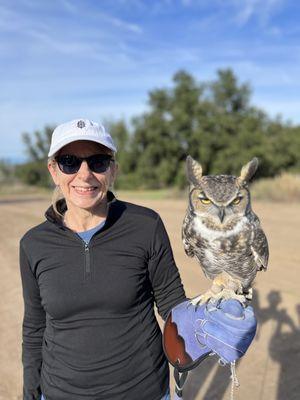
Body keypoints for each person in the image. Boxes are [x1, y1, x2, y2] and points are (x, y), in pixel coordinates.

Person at [19, 118, 186, 400]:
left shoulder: (145, 225)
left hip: (142, 391)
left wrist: (206, 329)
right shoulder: (34, 244)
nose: (85, 175)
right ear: (53, 171)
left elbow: (173, 304)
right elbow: (35, 328)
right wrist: (30, 395)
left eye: (98, 162)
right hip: (61, 393)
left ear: (113, 171)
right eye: (69, 162)